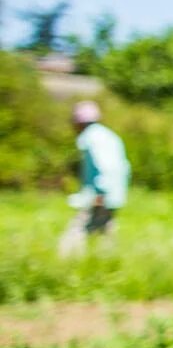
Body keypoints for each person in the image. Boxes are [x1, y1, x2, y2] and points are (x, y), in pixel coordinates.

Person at [58, 99, 131, 257]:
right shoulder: (109, 136)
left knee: (77, 229)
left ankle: (66, 260)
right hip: (116, 194)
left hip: (100, 195)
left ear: (80, 122)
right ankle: (108, 263)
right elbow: (124, 167)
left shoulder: (90, 138)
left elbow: (104, 166)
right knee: (105, 230)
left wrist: (100, 192)